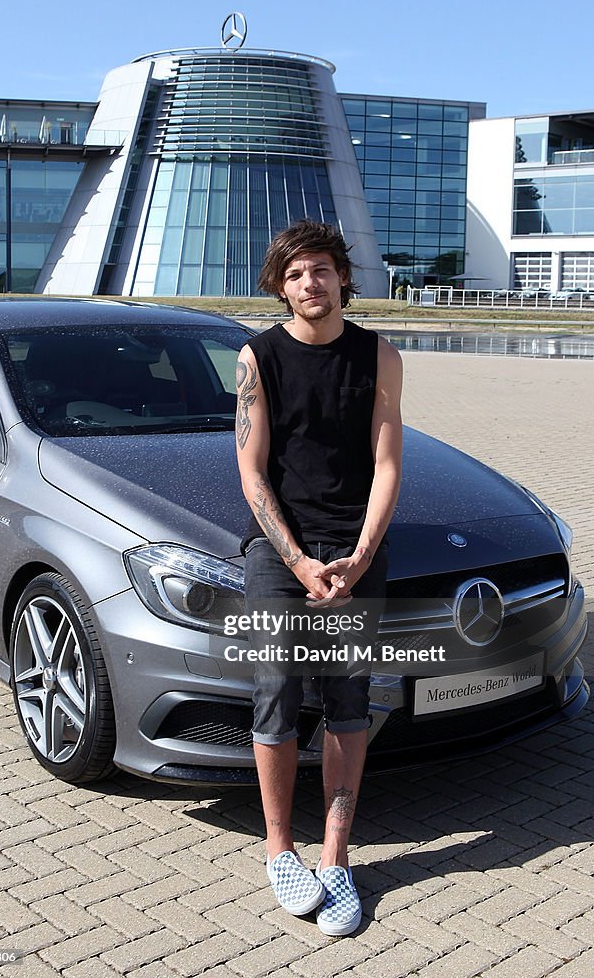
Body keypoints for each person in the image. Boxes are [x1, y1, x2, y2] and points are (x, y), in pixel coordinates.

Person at [235, 219, 403, 936]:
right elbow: (249, 468)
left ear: (341, 278)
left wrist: (359, 556)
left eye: (323, 270)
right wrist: (298, 560)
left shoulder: (379, 354)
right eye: (298, 273)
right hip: (281, 552)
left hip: (355, 552)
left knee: (347, 699)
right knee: (275, 691)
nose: (312, 283)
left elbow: (388, 463)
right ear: (280, 285)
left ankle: (335, 857)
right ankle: (279, 850)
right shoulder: (258, 357)